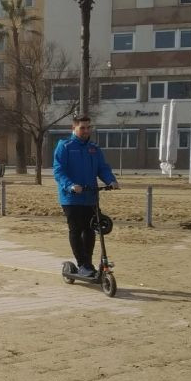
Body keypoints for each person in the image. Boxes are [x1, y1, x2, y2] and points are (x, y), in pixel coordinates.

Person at [53, 116, 119, 278]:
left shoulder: (94, 148)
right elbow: (59, 171)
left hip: (90, 196)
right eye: (82, 128)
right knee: (76, 230)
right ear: (74, 129)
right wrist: (70, 185)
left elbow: (102, 168)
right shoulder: (65, 146)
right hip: (71, 198)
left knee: (90, 230)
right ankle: (82, 264)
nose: (86, 131)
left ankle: (87, 263)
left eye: (88, 127)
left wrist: (111, 180)